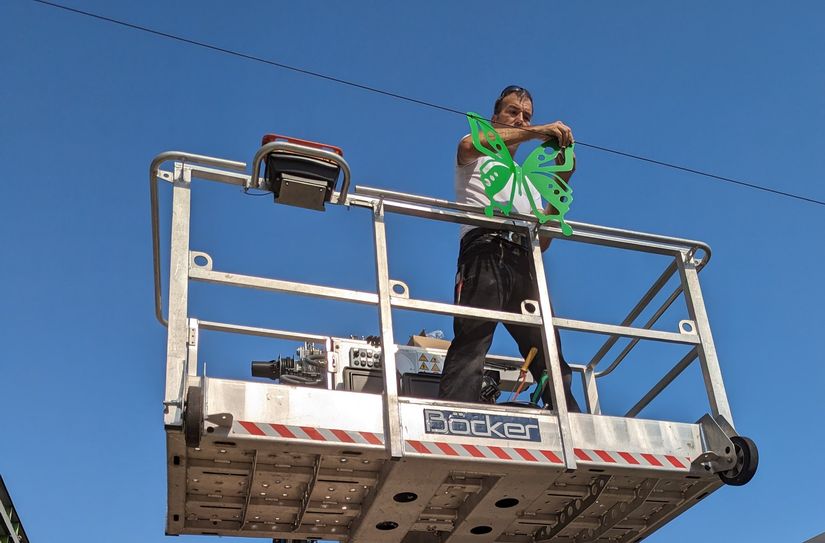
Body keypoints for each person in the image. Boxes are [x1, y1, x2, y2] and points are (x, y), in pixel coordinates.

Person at [437, 85, 581, 412]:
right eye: (512, 112)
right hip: (484, 249)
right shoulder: (474, 152)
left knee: (547, 349)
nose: (520, 119)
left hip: (522, 258)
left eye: (526, 115)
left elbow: (541, 243)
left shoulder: (527, 181)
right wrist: (536, 131)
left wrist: (562, 182)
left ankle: (571, 420)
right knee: (473, 338)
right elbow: (470, 143)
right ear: (495, 117)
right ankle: (455, 415)